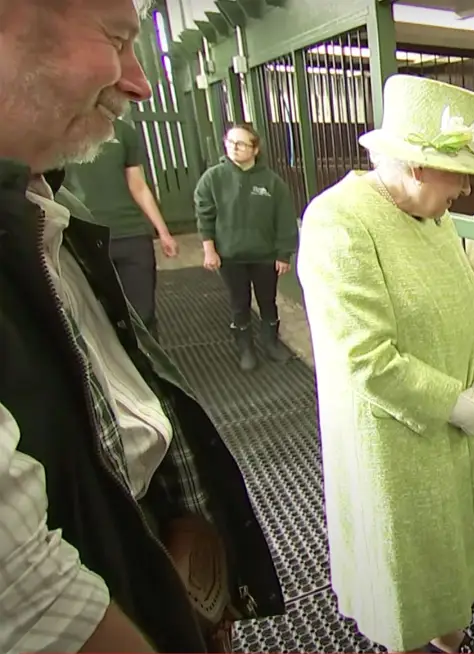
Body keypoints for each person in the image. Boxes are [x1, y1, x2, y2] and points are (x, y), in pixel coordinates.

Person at [0, 1, 284, 652]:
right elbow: (29, 597)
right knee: (237, 306)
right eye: (117, 40)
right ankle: (243, 339)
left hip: (149, 554)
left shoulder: (46, 209)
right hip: (105, 590)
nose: (139, 80)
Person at [297, 74, 474, 653]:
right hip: (394, 439)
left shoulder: (435, 215)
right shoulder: (339, 221)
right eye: (462, 173)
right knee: (405, 572)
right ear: (417, 165)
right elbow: (362, 356)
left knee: (448, 560)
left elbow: (470, 302)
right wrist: (451, 401)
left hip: (457, 422)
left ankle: (452, 640)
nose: (468, 189)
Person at [64, 115, 179, 340]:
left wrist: (163, 232)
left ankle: (151, 371)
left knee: (142, 312)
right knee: (99, 316)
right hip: (84, 238)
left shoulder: (123, 131)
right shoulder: (55, 131)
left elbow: (137, 185)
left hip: (132, 234)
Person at [195, 123, 298, 371]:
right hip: (230, 257)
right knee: (239, 303)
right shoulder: (213, 178)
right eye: (230, 142)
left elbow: (284, 219)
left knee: (268, 301)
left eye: (241, 144)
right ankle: (246, 349)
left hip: (264, 256)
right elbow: (204, 214)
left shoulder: (272, 183)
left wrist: (284, 253)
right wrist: (209, 250)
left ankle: (271, 344)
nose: (234, 148)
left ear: (255, 148)